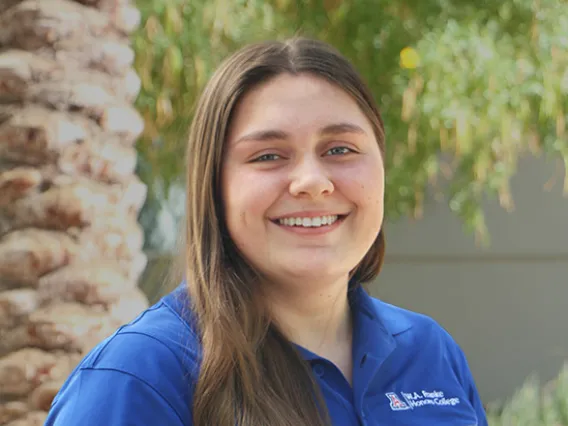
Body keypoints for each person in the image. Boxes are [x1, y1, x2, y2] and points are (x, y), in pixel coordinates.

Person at [45, 37, 488, 426]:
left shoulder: (429, 352)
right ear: (214, 187)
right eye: (268, 156)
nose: (312, 181)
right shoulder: (138, 379)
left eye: (340, 149)